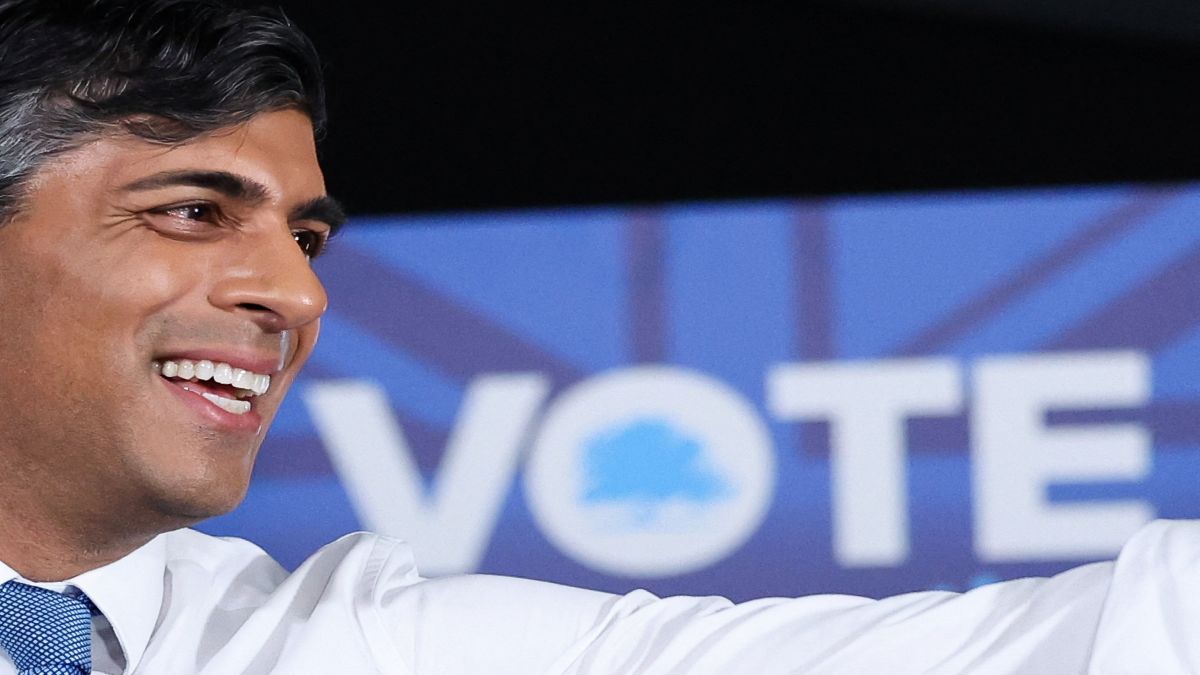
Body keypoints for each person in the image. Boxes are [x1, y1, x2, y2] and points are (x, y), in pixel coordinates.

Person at [0, 1, 1193, 673]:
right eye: (194, 213)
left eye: (306, 239)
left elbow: (1024, 650)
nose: (296, 296)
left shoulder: (350, 643)